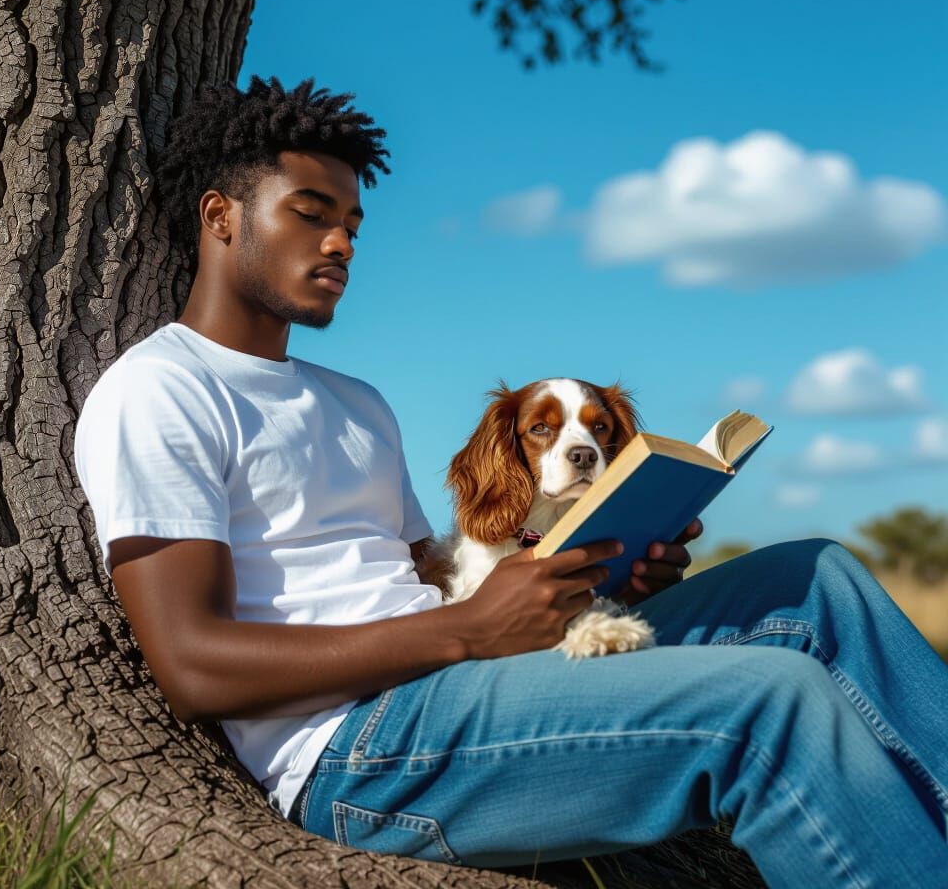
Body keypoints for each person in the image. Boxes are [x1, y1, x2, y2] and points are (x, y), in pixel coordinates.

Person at [73, 75, 948, 888]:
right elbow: (192, 667)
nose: (340, 240)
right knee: (772, 703)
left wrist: (605, 572)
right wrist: (465, 632)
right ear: (220, 217)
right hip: (361, 748)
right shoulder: (159, 390)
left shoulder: (355, 402)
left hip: (464, 681)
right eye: (310, 214)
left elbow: (429, 578)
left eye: (351, 223)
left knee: (817, 579)